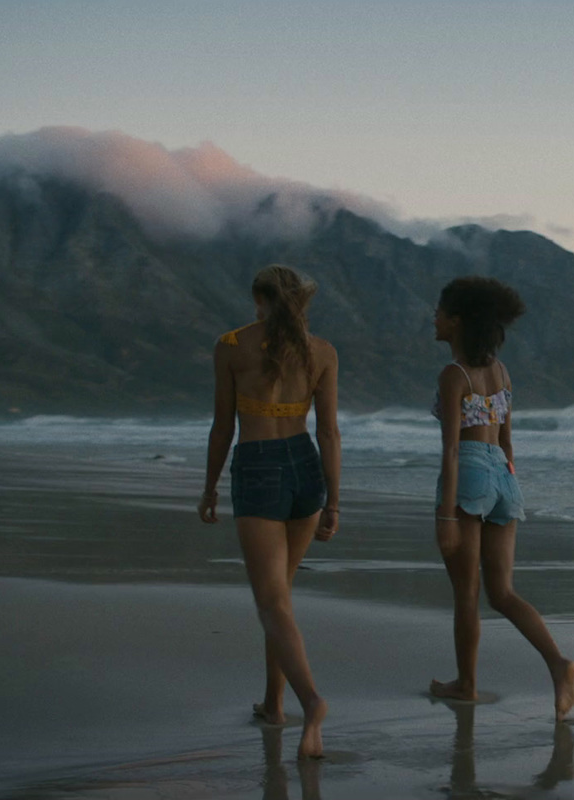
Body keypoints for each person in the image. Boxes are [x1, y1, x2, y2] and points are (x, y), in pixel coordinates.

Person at [198, 264, 340, 759]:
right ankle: (274, 705)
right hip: (306, 468)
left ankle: (311, 702)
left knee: (272, 601)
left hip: (258, 467)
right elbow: (328, 433)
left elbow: (223, 427)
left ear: (260, 300)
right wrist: (335, 500)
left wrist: (210, 486)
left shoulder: (231, 345)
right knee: (281, 597)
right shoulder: (321, 351)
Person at [428, 276, 574, 721]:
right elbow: (508, 441)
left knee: (466, 594)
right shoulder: (501, 371)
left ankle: (467, 684)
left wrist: (445, 514)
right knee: (503, 592)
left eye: (438, 312)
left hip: (470, 471)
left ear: (456, 321)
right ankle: (558, 663)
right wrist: (506, 480)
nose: (432, 320)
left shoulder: (454, 374)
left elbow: (453, 448)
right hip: (503, 474)